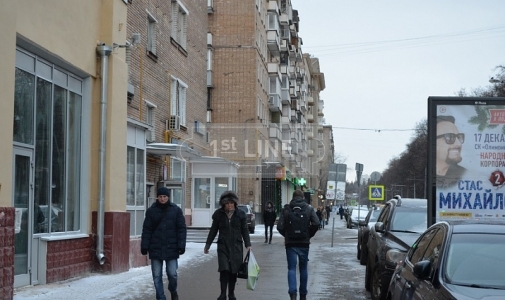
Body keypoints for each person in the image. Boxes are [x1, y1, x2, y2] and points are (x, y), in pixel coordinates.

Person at [204, 191, 252, 300]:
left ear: (235, 203)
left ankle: (231, 293)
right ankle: (222, 294)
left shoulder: (240, 215)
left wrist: (248, 244)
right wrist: (208, 244)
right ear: (223, 204)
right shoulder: (218, 215)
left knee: (233, 270)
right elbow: (213, 230)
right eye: (227, 203)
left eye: (231, 203)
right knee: (224, 269)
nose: (229, 205)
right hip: (223, 246)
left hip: (236, 246)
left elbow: (244, 230)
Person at [141, 187, 187, 300]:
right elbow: (147, 229)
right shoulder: (151, 211)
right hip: (155, 247)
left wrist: (181, 245)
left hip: (171, 246)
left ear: (168, 197)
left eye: (165, 197)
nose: (162, 199)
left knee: (172, 274)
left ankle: (173, 290)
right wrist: (144, 245)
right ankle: (161, 298)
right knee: (157, 275)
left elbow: (181, 228)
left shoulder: (176, 210)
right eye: (161, 196)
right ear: (158, 197)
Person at [277, 189, 320, 300]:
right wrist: (308, 234)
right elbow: (316, 223)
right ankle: (303, 294)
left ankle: (293, 294)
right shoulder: (308, 208)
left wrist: (287, 235)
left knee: (291, 268)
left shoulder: (286, 208)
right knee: (303, 269)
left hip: (290, 243)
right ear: (303, 197)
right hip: (304, 243)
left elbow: (280, 226)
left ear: (293, 197)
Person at [436, 115, 467, 188]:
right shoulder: (423, 175)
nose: (458, 144)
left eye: (459, 137)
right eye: (449, 137)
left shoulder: (465, 175)